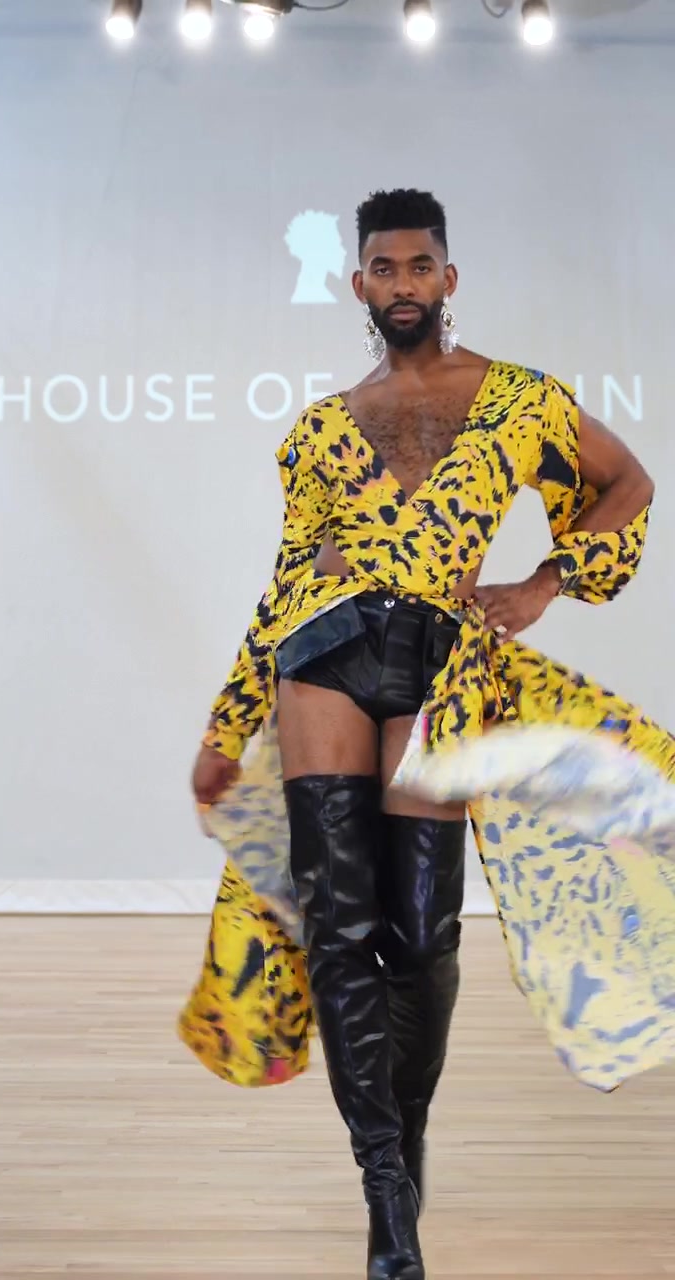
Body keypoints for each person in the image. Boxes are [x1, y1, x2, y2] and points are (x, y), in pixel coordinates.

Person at [191, 189, 655, 1280]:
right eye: (384, 268)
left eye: (419, 266)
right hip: (323, 653)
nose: (402, 284)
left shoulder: (517, 398)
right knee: (339, 926)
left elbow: (628, 482)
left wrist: (543, 582)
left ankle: (406, 1131)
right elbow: (288, 578)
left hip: (442, 661)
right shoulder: (321, 429)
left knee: (422, 931)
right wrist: (230, 719)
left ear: (449, 279)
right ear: (359, 284)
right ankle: (386, 1192)